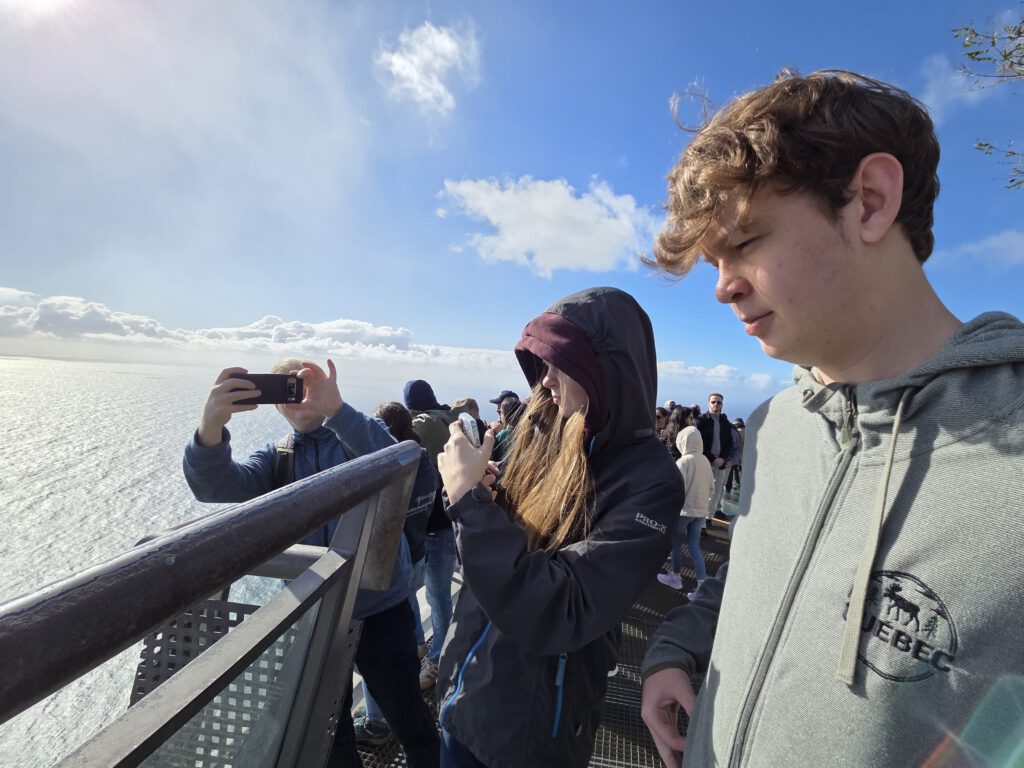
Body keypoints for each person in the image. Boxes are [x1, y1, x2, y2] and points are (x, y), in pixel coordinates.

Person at [639, 68, 1024, 768]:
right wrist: (677, 648)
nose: (722, 287)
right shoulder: (774, 425)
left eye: (746, 241)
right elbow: (758, 573)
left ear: (869, 202)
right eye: (714, 261)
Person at [435, 287, 683, 768]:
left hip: (530, 731)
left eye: (559, 362)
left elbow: (565, 605)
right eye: (541, 363)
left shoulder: (651, 482)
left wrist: (468, 501)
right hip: (465, 693)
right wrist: (480, 495)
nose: (544, 379)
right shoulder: (547, 433)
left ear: (604, 368)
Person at [182, 359, 440, 768]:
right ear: (275, 403)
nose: (296, 396)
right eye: (285, 388)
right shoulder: (278, 457)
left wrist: (336, 410)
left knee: (407, 713)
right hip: (316, 614)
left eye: (305, 385)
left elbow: (399, 460)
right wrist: (210, 426)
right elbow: (215, 487)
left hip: (379, 609)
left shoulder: (357, 435)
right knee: (327, 732)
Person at [656, 425, 713, 599]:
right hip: (701, 511)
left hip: (684, 511)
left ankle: (675, 577)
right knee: (695, 547)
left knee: (676, 544)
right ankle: (702, 586)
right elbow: (712, 488)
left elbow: (677, 489)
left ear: (682, 442)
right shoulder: (705, 461)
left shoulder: (683, 462)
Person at [696, 393, 732, 522]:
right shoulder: (701, 420)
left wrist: (723, 458)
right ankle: (698, 519)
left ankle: (708, 519)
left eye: (719, 402)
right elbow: (699, 442)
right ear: (708, 403)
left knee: (716, 493)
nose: (716, 404)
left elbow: (729, 443)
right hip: (705, 461)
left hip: (720, 463)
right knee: (701, 491)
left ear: (722, 404)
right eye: (713, 402)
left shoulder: (725, 422)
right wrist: (712, 459)